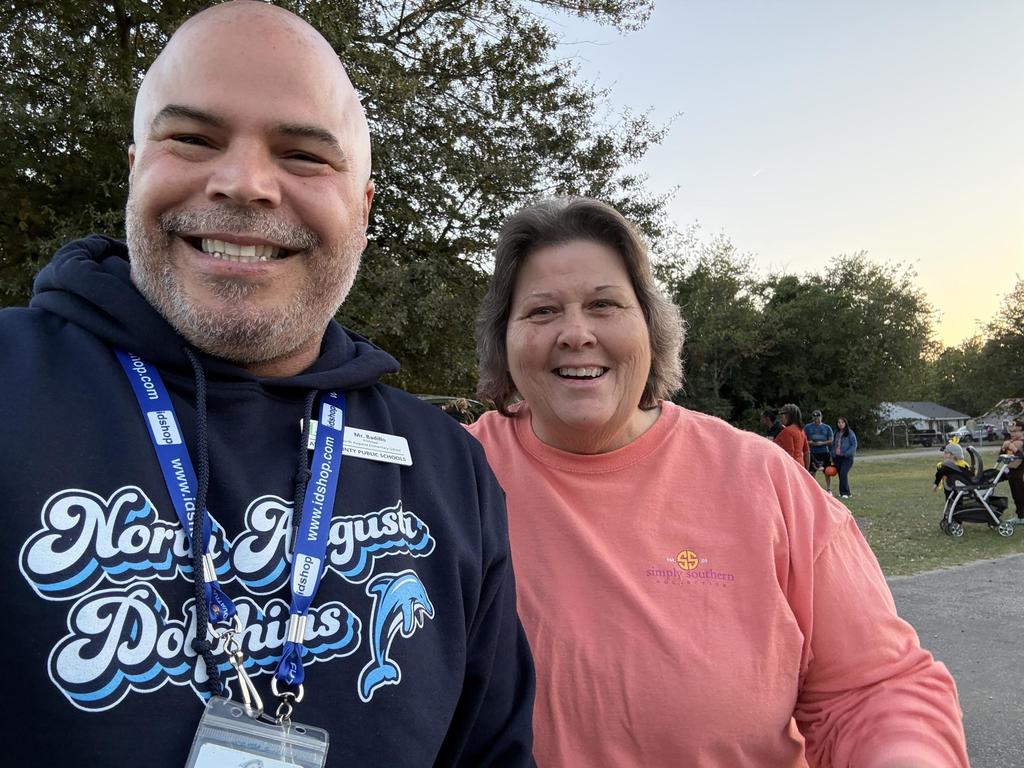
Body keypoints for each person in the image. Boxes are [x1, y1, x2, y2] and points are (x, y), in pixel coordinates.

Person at [0, 4, 534, 766]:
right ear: (135, 168)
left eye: (305, 154)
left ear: (364, 208)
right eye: (191, 138)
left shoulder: (450, 471)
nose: (244, 183)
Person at [466, 197, 968, 767]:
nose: (576, 333)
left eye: (604, 304)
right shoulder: (451, 476)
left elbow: (874, 689)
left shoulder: (762, 479)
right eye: (541, 311)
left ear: (651, 330)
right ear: (502, 339)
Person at [804, 409, 835, 494]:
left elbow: (831, 440)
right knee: (812, 471)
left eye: (818, 416)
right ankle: (813, 489)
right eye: (814, 416)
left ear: (821, 417)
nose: (816, 418)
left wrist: (822, 443)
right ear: (812, 417)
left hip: (824, 452)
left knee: (827, 471)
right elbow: (803, 439)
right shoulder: (807, 427)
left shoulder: (827, 427)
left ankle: (829, 489)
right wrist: (809, 442)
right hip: (812, 452)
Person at [774, 402, 811, 469]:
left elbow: (789, 452)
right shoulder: (801, 431)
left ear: (789, 415)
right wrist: (806, 470)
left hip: (790, 467)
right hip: (800, 466)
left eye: (782, 414)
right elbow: (807, 452)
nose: (780, 417)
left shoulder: (787, 431)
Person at [1001, 418, 1024, 523]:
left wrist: (1013, 448)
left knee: (1021, 495)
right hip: (1012, 473)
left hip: (1021, 474)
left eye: (1015, 431)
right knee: (1016, 496)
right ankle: (1020, 516)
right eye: (1011, 431)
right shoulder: (1011, 442)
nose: (1012, 433)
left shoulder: (1021, 443)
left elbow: (1021, 456)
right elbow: (1002, 456)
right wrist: (1003, 448)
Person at [832, 416, 858, 499]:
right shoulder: (836, 432)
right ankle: (842, 492)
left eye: (842, 422)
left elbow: (854, 445)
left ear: (845, 423)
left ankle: (846, 493)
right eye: (839, 422)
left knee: (843, 473)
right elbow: (833, 444)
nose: (840, 424)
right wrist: (832, 453)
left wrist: (847, 453)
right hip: (837, 457)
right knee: (840, 475)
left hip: (847, 458)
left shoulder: (850, 433)